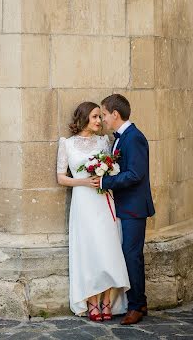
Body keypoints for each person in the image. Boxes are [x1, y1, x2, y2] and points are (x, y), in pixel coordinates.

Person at [57, 101, 130, 321]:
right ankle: (91, 301)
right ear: (83, 118)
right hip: (83, 202)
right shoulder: (67, 144)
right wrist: (84, 182)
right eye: (95, 117)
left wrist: (103, 176)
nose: (99, 121)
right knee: (89, 251)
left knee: (107, 248)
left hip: (103, 200)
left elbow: (112, 169)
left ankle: (107, 301)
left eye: (100, 116)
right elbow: (61, 178)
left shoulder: (104, 141)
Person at [92, 94, 155, 325]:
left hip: (134, 208)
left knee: (132, 256)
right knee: (130, 256)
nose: (104, 119)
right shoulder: (121, 138)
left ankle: (136, 306)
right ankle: (141, 301)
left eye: (105, 114)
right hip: (124, 206)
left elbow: (135, 174)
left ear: (115, 114)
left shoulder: (134, 138)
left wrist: (104, 182)